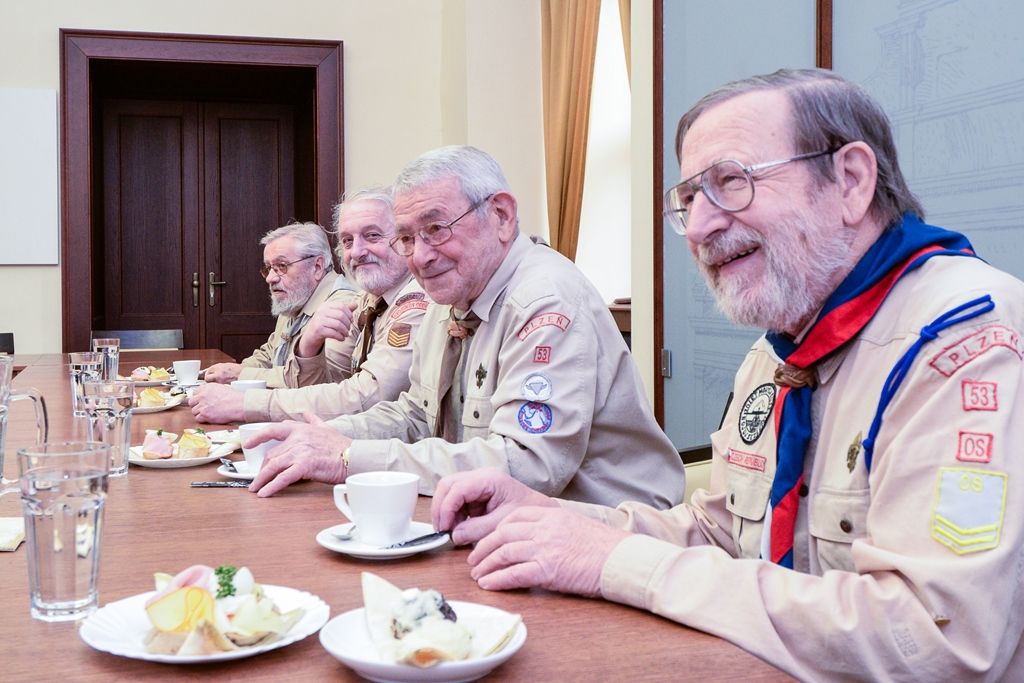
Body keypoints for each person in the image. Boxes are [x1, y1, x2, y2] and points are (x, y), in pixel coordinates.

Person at [429, 70, 1024, 681]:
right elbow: (721, 533)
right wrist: (553, 521)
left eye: (730, 183)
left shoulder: (967, 345)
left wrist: (621, 564)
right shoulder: (780, 353)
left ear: (849, 181)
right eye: (689, 201)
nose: (702, 227)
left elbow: (934, 641)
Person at [245, 145, 686, 510]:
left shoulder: (545, 301)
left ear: (501, 215)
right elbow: (416, 414)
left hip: (602, 530)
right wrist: (330, 436)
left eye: (436, 229)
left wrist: (347, 457)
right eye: (407, 238)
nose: (419, 256)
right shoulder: (452, 293)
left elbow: (528, 466)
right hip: (499, 522)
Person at [190, 189, 427, 423]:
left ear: (405, 240)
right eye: (347, 241)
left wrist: (245, 404)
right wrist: (308, 345)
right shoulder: (368, 301)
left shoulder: (411, 302)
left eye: (373, 235)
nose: (357, 251)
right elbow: (329, 381)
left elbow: (363, 397)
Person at [203, 222, 359, 389]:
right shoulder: (295, 300)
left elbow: (323, 384)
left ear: (317, 266)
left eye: (281, 266)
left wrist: (240, 375)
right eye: (269, 268)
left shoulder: (342, 307)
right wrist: (233, 370)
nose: (270, 278)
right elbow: (270, 353)